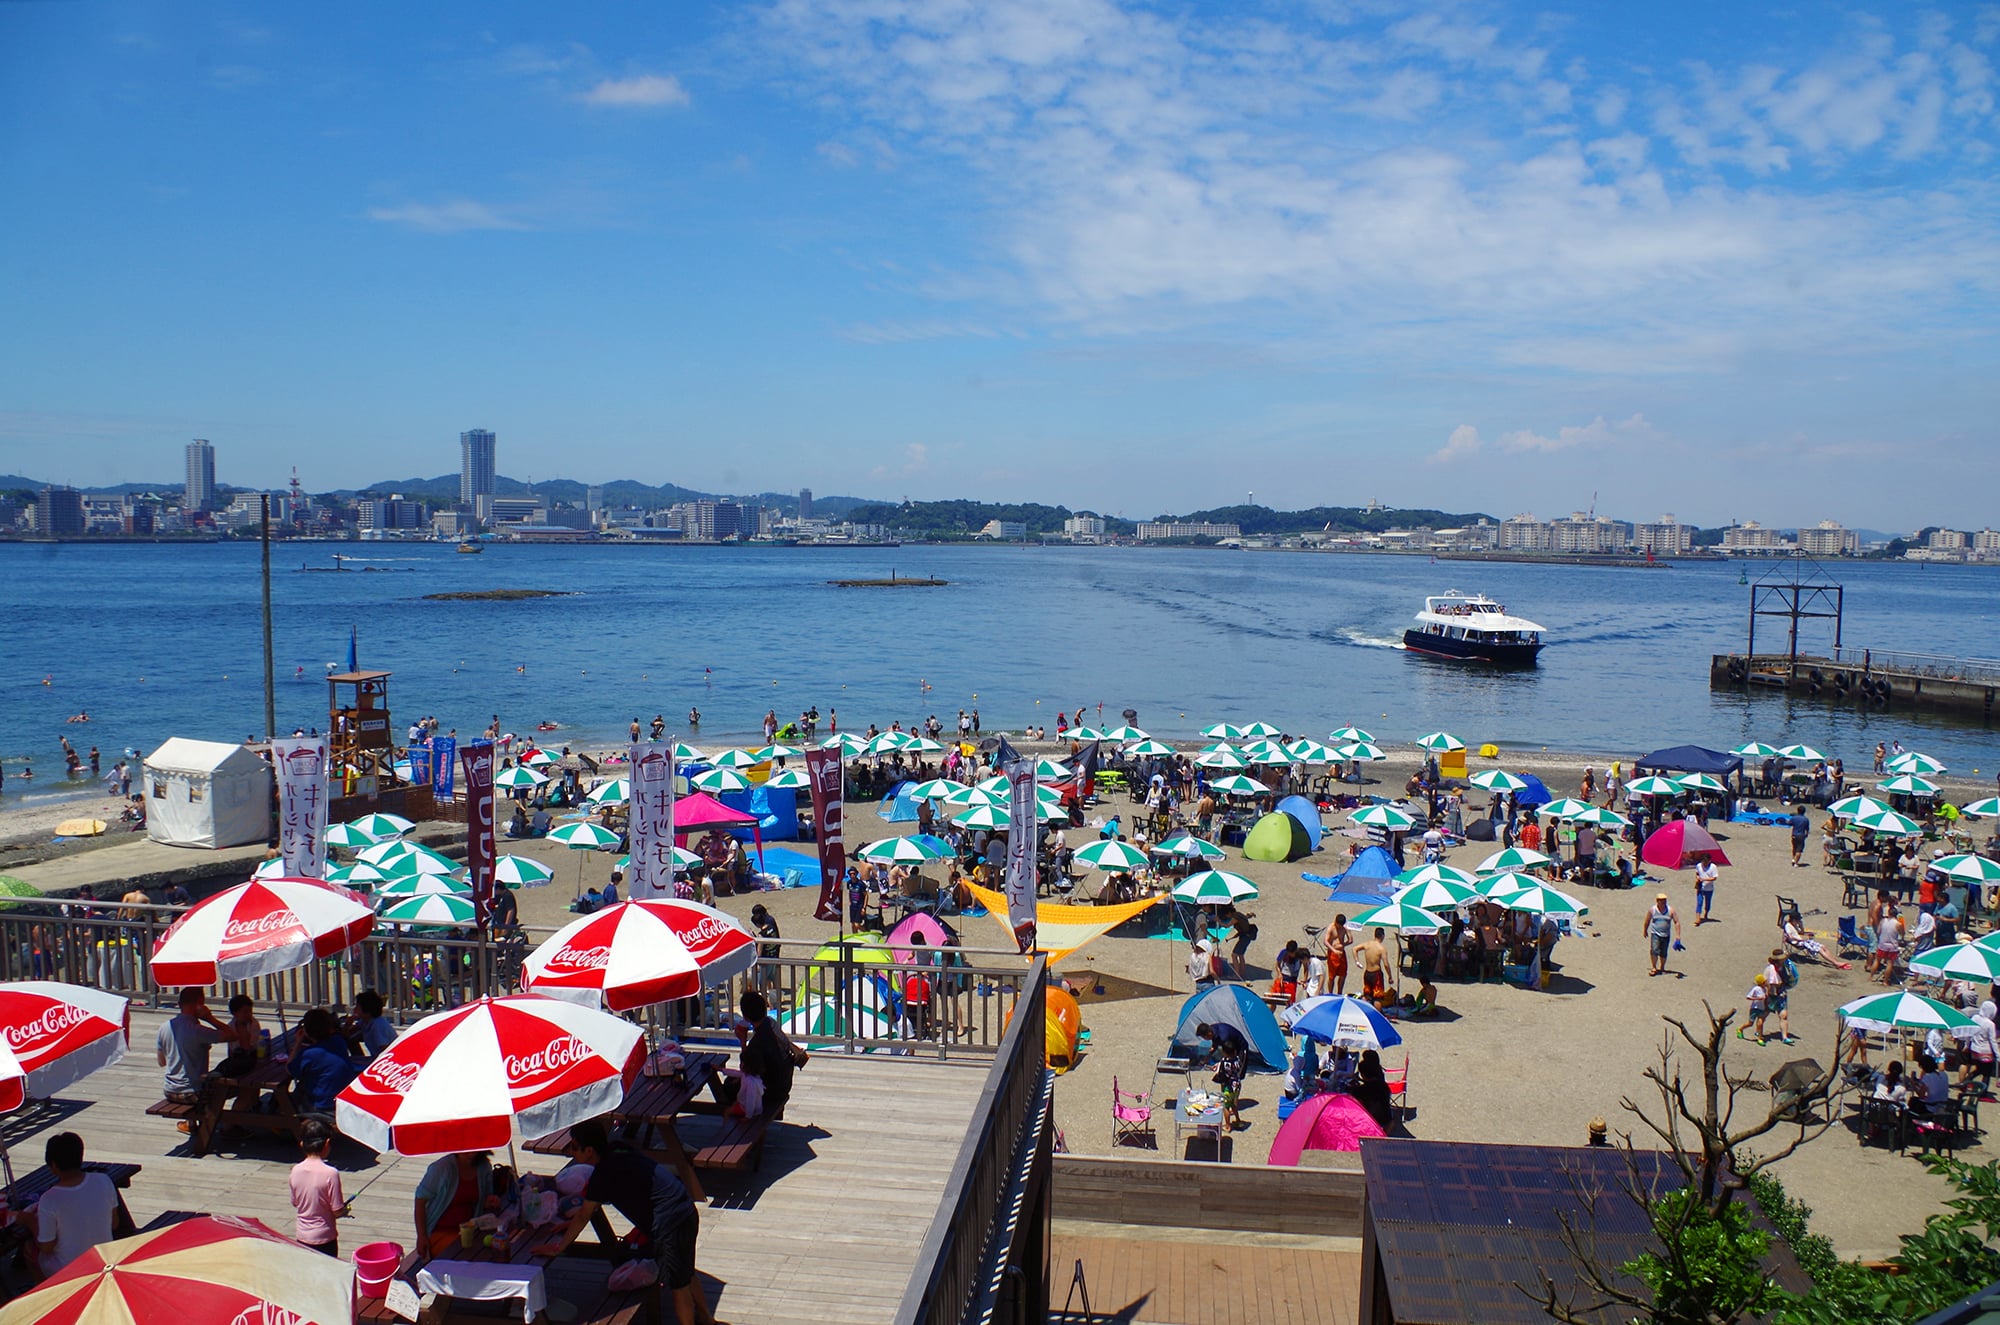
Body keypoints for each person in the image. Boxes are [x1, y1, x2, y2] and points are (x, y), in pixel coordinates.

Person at [558, 1119, 714, 1325]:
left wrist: (559, 1247)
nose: (570, 1151)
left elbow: (583, 1215)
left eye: (574, 1147)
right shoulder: (618, 1148)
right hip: (684, 1207)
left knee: (679, 1285)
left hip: (670, 1222)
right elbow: (592, 1203)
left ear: (589, 1151)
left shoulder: (603, 1175)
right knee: (685, 1270)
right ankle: (706, 1319)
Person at [32, 1132, 122, 1275]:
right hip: (105, 1261)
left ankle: (43, 1292)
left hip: (71, 1271)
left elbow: (47, 1246)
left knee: (30, 1250)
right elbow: (114, 1223)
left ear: (53, 1165)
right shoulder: (103, 1180)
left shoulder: (50, 1199)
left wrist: (30, 1222)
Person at [157, 987, 232, 1106]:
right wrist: (210, 1018)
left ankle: (192, 1123)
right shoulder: (198, 1031)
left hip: (169, 1090)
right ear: (199, 1004)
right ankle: (208, 1124)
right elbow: (232, 1035)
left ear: (179, 1004)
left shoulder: (164, 1027)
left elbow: (161, 1062)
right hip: (192, 1092)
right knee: (235, 1088)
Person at [414, 1150, 495, 1257]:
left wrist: (489, 1201)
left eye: (473, 1149)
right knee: (469, 1254)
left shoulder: (484, 1167)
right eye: (465, 1149)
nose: (470, 1153)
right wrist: (421, 1236)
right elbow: (420, 1201)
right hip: (440, 1232)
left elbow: (485, 1197)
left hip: (470, 1230)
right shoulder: (441, 1168)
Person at [290, 1119, 350, 1257]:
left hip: (302, 1235)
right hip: (325, 1236)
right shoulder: (331, 1173)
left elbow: (295, 1202)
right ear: (327, 1143)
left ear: (301, 1144)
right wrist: (344, 1210)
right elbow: (337, 1210)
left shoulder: (295, 1170)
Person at [289, 1008, 364, 1115]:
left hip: (322, 1106)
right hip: (343, 1100)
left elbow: (290, 1069)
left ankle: (286, 1119)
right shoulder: (339, 1041)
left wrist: (297, 1043)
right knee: (304, 1084)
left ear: (306, 1031)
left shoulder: (309, 1054)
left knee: (296, 1095)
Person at [738, 991, 796, 1120]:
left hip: (772, 1091)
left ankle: (743, 1123)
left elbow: (746, 1069)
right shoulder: (771, 1023)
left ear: (746, 1017)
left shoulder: (757, 1042)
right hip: (784, 1082)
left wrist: (742, 1040)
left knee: (729, 1087)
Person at [1351, 1049, 1394, 1130]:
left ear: (1363, 1074)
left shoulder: (1361, 1091)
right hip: (1386, 1123)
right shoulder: (1383, 1086)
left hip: (1370, 1124)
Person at [348, 989, 398, 1060]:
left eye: (357, 1007)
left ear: (367, 1011)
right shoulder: (365, 1021)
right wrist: (348, 1024)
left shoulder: (377, 1025)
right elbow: (349, 1034)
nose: (354, 1009)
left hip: (385, 1060)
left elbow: (385, 1050)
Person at [1763, 949, 1795, 1044]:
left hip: (1781, 994)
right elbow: (1764, 981)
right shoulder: (1769, 969)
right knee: (1764, 1014)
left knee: (1783, 1015)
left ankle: (1784, 1037)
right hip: (1771, 995)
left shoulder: (1786, 968)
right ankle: (1759, 1030)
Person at [1644, 894, 1681, 976]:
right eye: (1661, 900)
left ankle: (1662, 967)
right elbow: (1647, 920)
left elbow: (1677, 922)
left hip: (1666, 934)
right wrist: (1645, 930)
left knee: (1664, 952)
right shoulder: (1652, 910)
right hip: (1655, 933)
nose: (1663, 902)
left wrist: (1678, 935)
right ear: (1657, 901)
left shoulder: (1671, 910)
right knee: (1654, 950)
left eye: (1664, 900)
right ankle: (1654, 967)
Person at [1358, 928, 1390, 1004]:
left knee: (1367, 995)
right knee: (1377, 997)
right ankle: (1377, 1015)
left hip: (1367, 973)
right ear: (1382, 936)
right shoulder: (1381, 948)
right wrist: (1390, 976)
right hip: (1376, 974)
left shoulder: (1367, 944)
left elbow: (1354, 949)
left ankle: (1365, 1012)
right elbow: (1386, 964)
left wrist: (1357, 961)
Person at [1325, 915, 1352, 997]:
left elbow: (1350, 940)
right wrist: (1334, 950)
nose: (1339, 927)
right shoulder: (1331, 928)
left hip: (1341, 953)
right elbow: (1325, 941)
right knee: (1332, 976)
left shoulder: (1345, 928)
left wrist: (1343, 944)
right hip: (1333, 953)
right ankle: (1330, 993)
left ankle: (1339, 993)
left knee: (1343, 974)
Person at [1693, 855, 1719, 924]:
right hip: (1700, 887)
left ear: (1709, 861)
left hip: (1709, 888)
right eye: (1703, 862)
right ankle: (1698, 919)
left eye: (1706, 862)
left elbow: (1714, 878)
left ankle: (1706, 914)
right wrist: (1698, 878)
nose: (1704, 863)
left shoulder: (1713, 867)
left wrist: (1704, 879)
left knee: (1708, 904)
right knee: (1699, 902)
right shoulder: (1698, 866)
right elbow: (1697, 873)